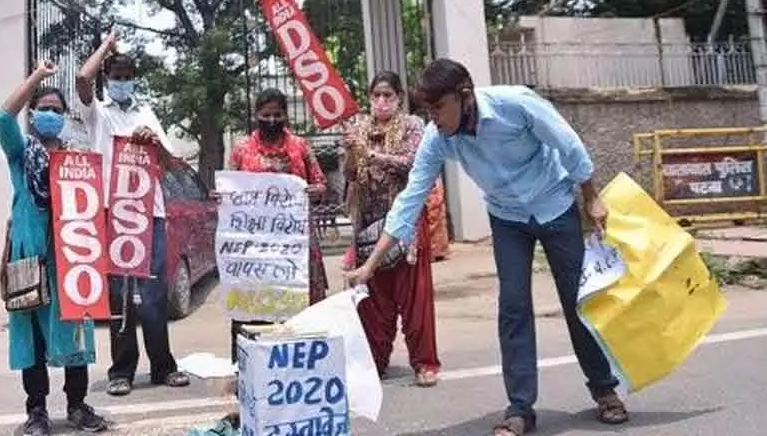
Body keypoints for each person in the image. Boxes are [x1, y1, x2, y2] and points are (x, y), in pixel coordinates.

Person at [345, 59, 629, 436]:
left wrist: (591, 195)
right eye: (427, 110)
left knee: (577, 302)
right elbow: (410, 199)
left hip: (554, 204)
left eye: (438, 108)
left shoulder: (516, 104)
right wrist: (371, 265)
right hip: (507, 217)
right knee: (513, 307)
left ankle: (604, 389)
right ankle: (520, 408)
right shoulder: (438, 136)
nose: (434, 119)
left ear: (463, 97)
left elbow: (567, 141)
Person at [0, 61, 109, 435]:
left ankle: (77, 405)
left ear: (64, 117)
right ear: (33, 113)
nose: (49, 114)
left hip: (72, 254)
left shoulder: (75, 157)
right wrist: (37, 78)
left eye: (56, 110)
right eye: (43, 108)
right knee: (31, 334)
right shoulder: (21, 151)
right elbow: (2, 115)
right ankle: (37, 412)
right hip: (30, 253)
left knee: (75, 325)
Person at [75, 37, 191, 397]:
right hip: (115, 214)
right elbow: (81, 78)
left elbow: (171, 163)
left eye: (128, 75)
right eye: (117, 75)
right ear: (107, 79)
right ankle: (121, 370)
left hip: (149, 214)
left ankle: (163, 366)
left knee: (153, 292)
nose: (123, 81)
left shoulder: (146, 113)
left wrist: (152, 140)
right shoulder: (98, 114)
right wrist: (107, 45)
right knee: (121, 295)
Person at [340, 71, 441, 387]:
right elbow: (351, 175)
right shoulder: (358, 128)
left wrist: (370, 153)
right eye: (376, 96)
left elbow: (411, 163)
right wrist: (352, 153)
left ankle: (424, 363)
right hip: (368, 223)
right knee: (372, 298)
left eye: (388, 96)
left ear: (399, 98)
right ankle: (375, 359)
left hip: (404, 224)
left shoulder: (413, 126)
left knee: (414, 297)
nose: (381, 102)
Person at [223, 88, 328, 362]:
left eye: (277, 114)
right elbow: (231, 190)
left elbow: (320, 183)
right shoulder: (241, 149)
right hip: (256, 248)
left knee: (301, 304)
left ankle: (302, 366)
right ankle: (248, 368)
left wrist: (315, 191)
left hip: (296, 244)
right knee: (254, 305)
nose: (272, 120)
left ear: (285, 115)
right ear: (256, 115)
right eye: (265, 114)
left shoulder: (300, 147)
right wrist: (223, 196)